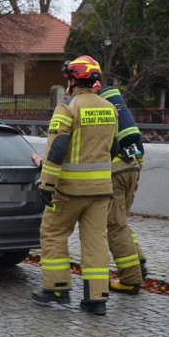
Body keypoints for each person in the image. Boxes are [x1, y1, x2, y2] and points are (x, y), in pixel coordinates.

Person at [32, 56, 118, 316]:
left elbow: (57, 149)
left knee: (52, 232)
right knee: (95, 242)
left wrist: (46, 184)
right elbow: (113, 148)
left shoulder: (68, 109)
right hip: (101, 190)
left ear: (72, 80)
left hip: (69, 190)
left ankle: (57, 288)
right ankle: (97, 298)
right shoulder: (110, 109)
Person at [98, 84, 149, 295]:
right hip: (132, 167)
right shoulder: (123, 115)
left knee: (114, 225)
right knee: (121, 221)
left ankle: (129, 278)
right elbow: (139, 148)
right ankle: (138, 261)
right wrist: (136, 174)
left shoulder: (100, 110)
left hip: (115, 171)